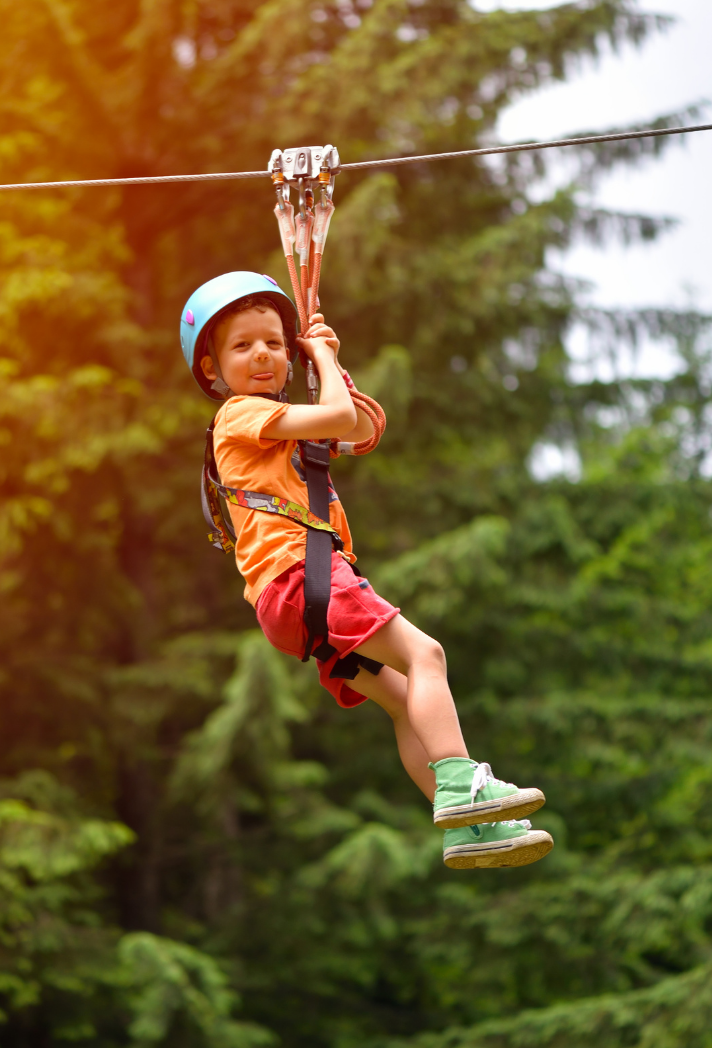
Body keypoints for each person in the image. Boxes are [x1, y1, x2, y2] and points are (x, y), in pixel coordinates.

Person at [181, 272, 553, 869]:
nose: (263, 356)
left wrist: (327, 362)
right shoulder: (238, 416)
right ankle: (464, 785)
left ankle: (466, 829)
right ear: (212, 370)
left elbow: (355, 426)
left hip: (294, 597)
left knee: (407, 700)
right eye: (243, 345)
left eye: (276, 343)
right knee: (426, 656)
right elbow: (333, 418)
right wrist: (323, 358)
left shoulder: (273, 429)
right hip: (302, 578)